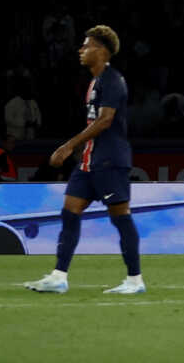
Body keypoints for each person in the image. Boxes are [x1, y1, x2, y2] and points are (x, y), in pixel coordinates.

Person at [25, 24, 145, 296]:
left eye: (87, 45)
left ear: (101, 51)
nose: (81, 49)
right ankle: (59, 276)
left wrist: (69, 146)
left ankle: (135, 280)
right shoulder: (95, 81)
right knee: (69, 212)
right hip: (91, 161)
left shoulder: (113, 80)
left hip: (110, 161)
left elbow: (105, 121)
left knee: (120, 217)